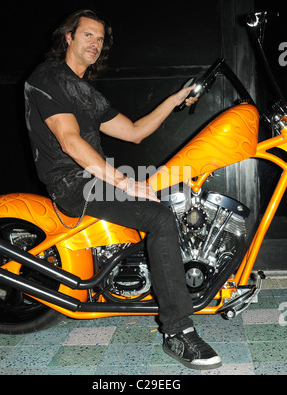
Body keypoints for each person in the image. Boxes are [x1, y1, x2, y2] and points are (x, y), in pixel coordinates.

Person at [24, 9, 222, 371]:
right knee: (159, 216)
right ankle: (178, 332)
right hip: (74, 183)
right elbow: (69, 142)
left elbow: (134, 131)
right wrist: (125, 182)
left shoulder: (85, 91)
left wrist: (175, 99)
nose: (95, 44)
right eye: (88, 35)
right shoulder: (48, 77)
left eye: (100, 39)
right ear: (68, 37)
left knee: (173, 191)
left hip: (94, 178)